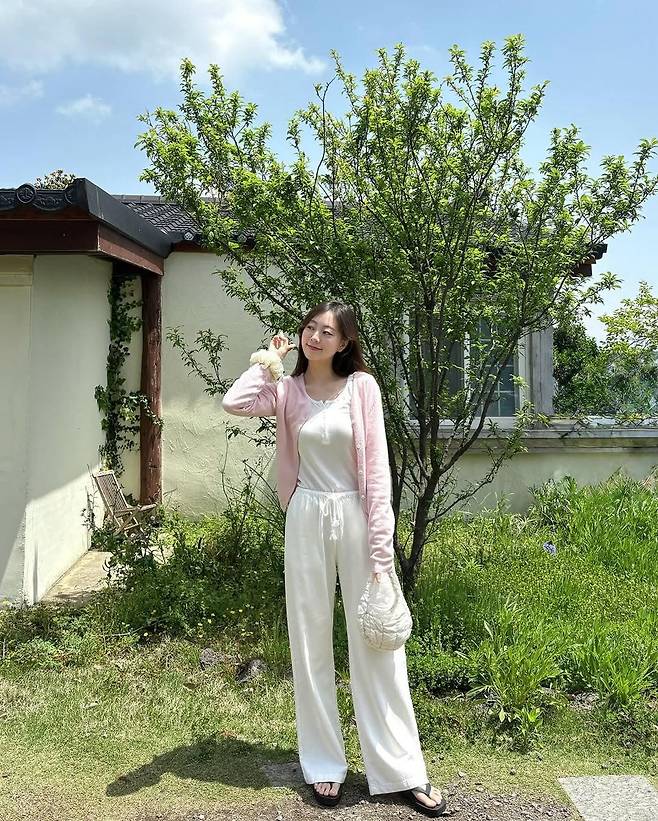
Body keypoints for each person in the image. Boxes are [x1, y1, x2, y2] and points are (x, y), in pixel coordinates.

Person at [222, 301, 447, 817]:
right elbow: (235, 403)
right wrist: (268, 361)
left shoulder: (362, 388)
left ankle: (402, 770)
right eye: (310, 328)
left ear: (345, 342)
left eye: (327, 332)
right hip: (305, 514)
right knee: (309, 642)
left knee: (377, 644)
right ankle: (324, 764)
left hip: (356, 515)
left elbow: (377, 472)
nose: (315, 337)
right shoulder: (287, 391)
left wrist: (381, 550)